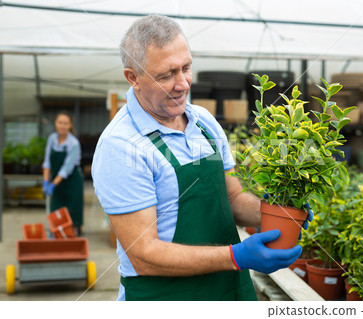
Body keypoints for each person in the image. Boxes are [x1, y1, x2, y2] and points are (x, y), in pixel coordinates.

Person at [91, 15, 313, 301]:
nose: (182, 84)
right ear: (133, 77)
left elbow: (231, 197)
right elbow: (144, 255)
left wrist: (272, 212)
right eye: (167, 74)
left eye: (186, 68)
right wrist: (236, 256)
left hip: (229, 291)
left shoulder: (203, 122)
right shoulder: (121, 145)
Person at [42, 111, 84, 235]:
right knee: (56, 209)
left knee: (72, 211)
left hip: (72, 182)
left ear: (70, 126)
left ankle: (72, 236)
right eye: (60, 122)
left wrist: (53, 184)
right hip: (56, 180)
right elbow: (47, 163)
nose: (62, 126)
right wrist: (45, 181)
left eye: (65, 123)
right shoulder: (51, 139)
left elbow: (66, 168)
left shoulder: (74, 143)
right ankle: (55, 235)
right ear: (56, 124)